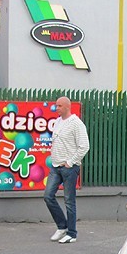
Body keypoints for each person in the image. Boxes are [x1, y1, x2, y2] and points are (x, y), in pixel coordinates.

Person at [45, 96, 90, 244]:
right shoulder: (58, 121)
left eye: (59, 106)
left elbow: (84, 146)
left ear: (66, 107)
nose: (56, 108)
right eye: (56, 106)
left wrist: (71, 162)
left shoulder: (76, 124)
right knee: (48, 196)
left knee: (69, 201)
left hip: (69, 168)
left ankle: (72, 233)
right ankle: (62, 226)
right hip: (56, 165)